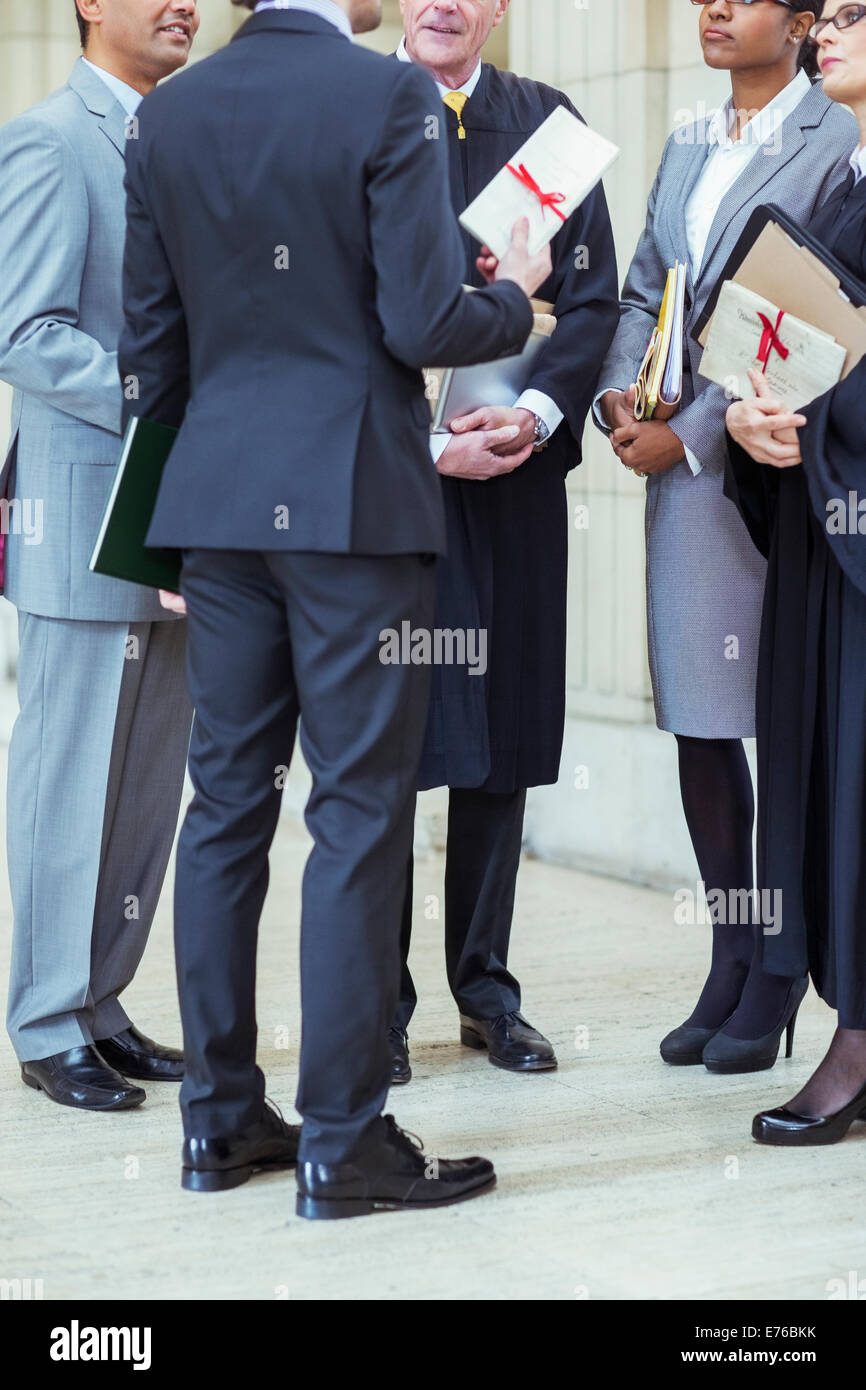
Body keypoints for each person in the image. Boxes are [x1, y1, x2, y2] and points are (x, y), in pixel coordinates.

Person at [119, 0, 551, 1217]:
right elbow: (421, 321)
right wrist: (512, 298)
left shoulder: (170, 111)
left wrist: (169, 523)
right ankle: (343, 1141)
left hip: (215, 510)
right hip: (353, 505)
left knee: (224, 811)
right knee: (358, 814)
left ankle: (217, 1123)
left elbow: (151, 352)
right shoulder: (384, 94)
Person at [593, 0, 856, 1072]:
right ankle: (732, 949)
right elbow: (648, 288)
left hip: (780, 467)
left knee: (786, 727)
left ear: (797, 25)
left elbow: (803, 317)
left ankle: (783, 966)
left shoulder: (835, 133)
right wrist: (621, 400)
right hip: (681, 476)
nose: (711, 9)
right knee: (699, 724)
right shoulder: (687, 140)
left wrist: (693, 433)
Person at [389, 0, 619, 1085]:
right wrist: (414, 438)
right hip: (387, 487)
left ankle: (484, 989)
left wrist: (531, 416)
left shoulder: (547, 128)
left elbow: (592, 303)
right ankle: (372, 1004)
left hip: (515, 476)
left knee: (499, 740)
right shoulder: (358, 114)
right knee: (381, 746)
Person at [0, 0, 199, 1112]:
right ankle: (43, 1017)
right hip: (84, 516)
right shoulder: (49, 137)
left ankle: (104, 1004)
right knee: (69, 781)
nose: (183, 4)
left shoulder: (181, 134)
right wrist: (164, 402)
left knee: (141, 788)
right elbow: (23, 331)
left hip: (179, 510)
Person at [725, 0, 866, 1145]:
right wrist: (751, 422)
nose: (827, 28)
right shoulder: (835, 183)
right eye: (824, 12)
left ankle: (859, 1039)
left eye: (855, 13)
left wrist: (810, 416)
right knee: (820, 776)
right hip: (827, 531)